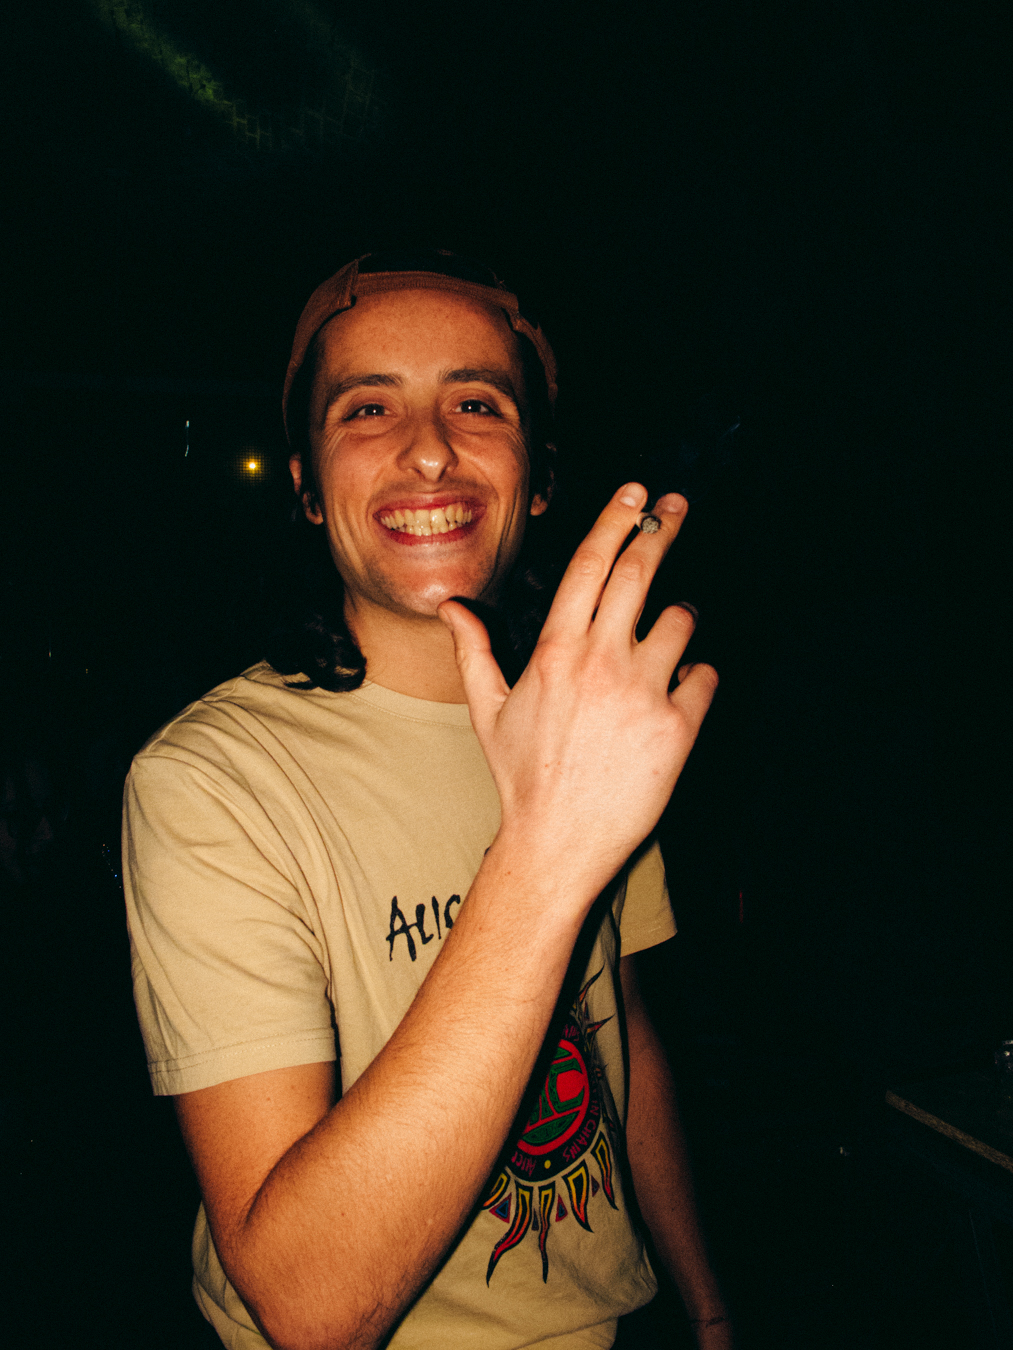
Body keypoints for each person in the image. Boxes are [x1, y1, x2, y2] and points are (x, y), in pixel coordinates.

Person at [123, 250, 731, 1350]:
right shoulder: (213, 778)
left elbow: (621, 1037)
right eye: (367, 408)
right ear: (307, 489)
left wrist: (706, 1306)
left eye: (476, 402)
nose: (429, 448)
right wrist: (546, 850)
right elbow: (310, 1305)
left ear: (537, 480)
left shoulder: (592, 728)